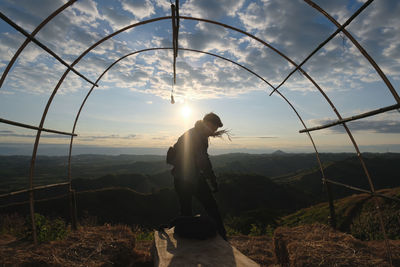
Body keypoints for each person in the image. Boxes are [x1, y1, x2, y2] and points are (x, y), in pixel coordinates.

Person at [168, 112, 228, 240]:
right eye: (212, 127)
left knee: (186, 211)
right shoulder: (196, 136)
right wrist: (212, 179)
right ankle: (222, 237)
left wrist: (210, 178)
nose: (213, 131)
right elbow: (203, 160)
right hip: (189, 179)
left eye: (215, 129)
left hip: (182, 178)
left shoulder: (197, 134)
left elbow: (201, 159)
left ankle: (186, 240)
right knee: (211, 207)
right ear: (206, 123)